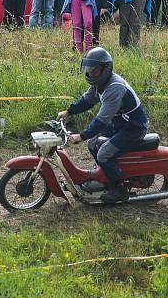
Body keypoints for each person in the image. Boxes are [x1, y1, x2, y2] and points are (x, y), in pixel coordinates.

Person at [56, 47, 149, 203]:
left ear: (105, 69)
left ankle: (119, 189)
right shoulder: (100, 84)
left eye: (95, 71)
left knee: (103, 153)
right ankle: (104, 176)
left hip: (134, 126)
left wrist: (82, 135)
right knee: (93, 144)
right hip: (121, 123)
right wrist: (69, 111)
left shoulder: (114, 88)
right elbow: (87, 101)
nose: (90, 74)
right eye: (88, 70)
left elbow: (102, 120)